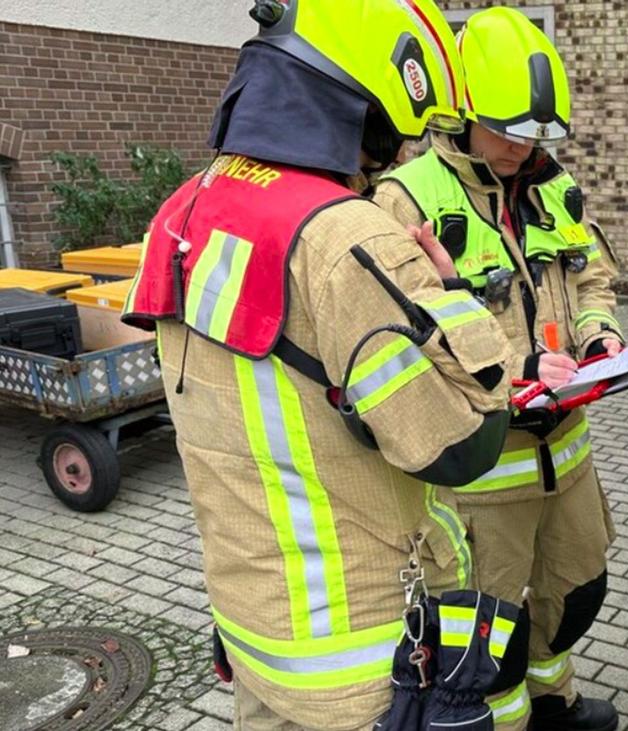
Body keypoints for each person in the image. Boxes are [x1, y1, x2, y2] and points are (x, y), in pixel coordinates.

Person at [122, 2, 515, 728]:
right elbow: (464, 447)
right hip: (364, 657)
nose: (397, 155)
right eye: (398, 135)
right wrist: (454, 298)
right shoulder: (347, 236)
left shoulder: (182, 211)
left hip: (254, 629)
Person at [371, 8, 620, 730]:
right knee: (489, 634)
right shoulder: (405, 198)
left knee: (574, 594)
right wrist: (517, 367)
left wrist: (600, 336)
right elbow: (405, 334)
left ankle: (555, 702)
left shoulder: (554, 188)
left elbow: (592, 280)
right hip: (485, 473)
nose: (520, 144)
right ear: (461, 110)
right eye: (504, 127)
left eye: (534, 131)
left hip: (566, 455)